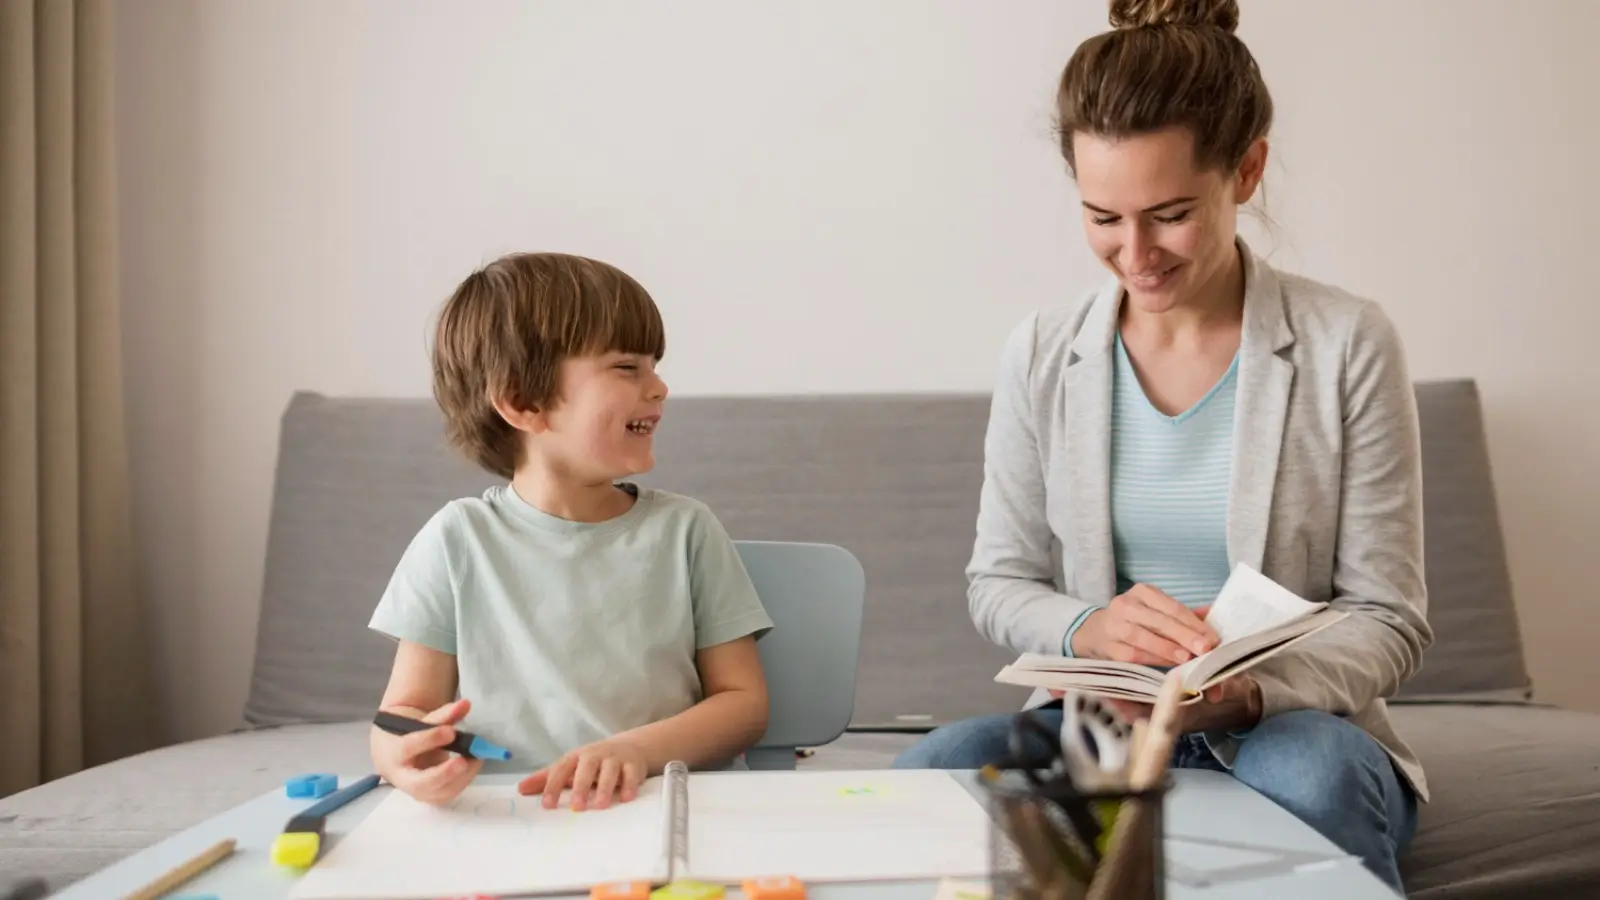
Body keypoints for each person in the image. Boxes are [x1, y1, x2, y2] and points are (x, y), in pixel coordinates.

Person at [892, 0, 1431, 893]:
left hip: (1291, 728)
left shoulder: (1348, 344)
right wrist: (1089, 626)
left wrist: (1248, 692)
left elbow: (1390, 618)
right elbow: (999, 581)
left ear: (1246, 170)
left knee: (1314, 777)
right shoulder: (1042, 351)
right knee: (931, 775)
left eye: (1170, 214)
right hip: (1101, 726)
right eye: (1102, 216)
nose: (1135, 253)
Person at [366, 252, 775, 814]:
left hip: (657, 802)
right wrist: (404, 758)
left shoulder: (686, 531)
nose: (659, 388)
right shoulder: (456, 540)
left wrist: (635, 750)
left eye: (654, 366)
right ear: (522, 403)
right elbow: (403, 712)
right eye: (628, 367)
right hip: (507, 814)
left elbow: (744, 704)